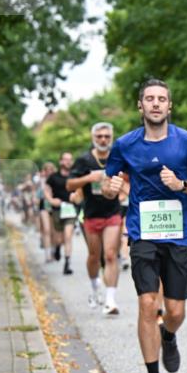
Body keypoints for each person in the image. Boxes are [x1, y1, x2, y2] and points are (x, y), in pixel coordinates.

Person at [103, 79, 187, 373]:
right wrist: (110, 189)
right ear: (140, 106)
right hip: (143, 233)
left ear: (169, 106)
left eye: (161, 99)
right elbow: (108, 185)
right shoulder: (125, 144)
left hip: (178, 235)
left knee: (175, 311)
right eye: (149, 99)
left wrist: (181, 185)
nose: (155, 104)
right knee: (148, 304)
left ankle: (169, 335)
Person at [68, 122, 124, 315]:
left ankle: (110, 300)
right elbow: (69, 184)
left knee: (110, 255)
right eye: (99, 136)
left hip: (113, 213)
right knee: (94, 256)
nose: (103, 139)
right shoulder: (84, 160)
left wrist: (123, 190)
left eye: (107, 136)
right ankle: (95, 287)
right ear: (93, 138)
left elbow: (129, 179)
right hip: (91, 214)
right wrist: (89, 178)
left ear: (111, 138)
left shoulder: (118, 158)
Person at [45, 152, 78, 274]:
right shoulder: (53, 177)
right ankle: (58, 247)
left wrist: (76, 196)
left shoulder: (75, 176)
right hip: (57, 210)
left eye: (70, 159)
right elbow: (46, 190)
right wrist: (51, 200)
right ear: (60, 161)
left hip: (71, 209)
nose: (68, 162)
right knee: (59, 239)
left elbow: (80, 189)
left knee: (68, 236)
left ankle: (67, 264)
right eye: (65, 159)